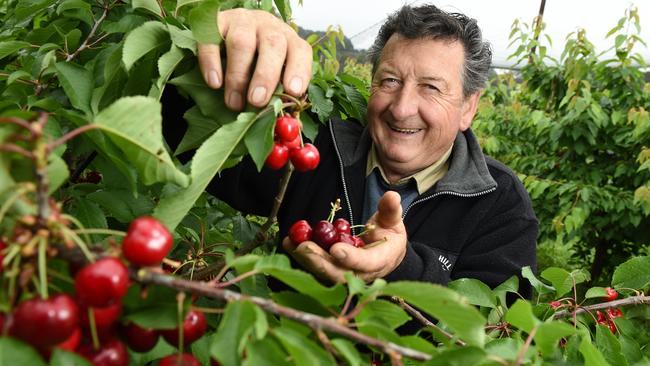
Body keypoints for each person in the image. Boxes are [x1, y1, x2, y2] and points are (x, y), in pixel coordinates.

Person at [185, 4, 538, 296]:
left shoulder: (500, 203)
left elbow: (489, 335)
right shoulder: (315, 148)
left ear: (467, 108)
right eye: (389, 81)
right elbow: (193, 151)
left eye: (431, 87)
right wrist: (205, 42)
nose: (401, 108)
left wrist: (402, 269)